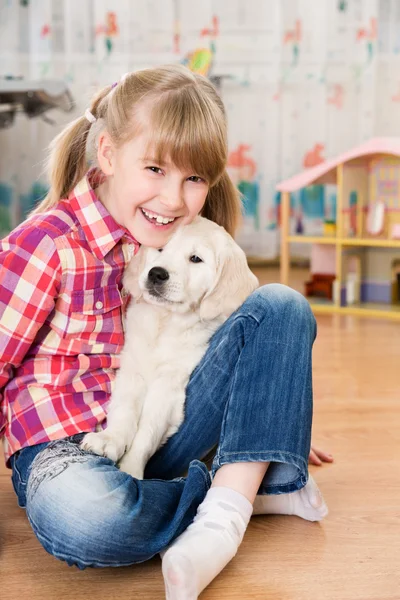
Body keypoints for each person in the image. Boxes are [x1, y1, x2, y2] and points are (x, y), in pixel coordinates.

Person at [0, 64, 332, 599]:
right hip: (66, 449)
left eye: (193, 178)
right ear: (107, 154)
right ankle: (239, 487)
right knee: (92, 519)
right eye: (155, 168)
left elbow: (238, 340)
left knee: (281, 305)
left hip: (166, 430)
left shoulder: (181, 239)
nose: (174, 198)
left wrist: (271, 408)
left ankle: (223, 516)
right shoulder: (45, 245)